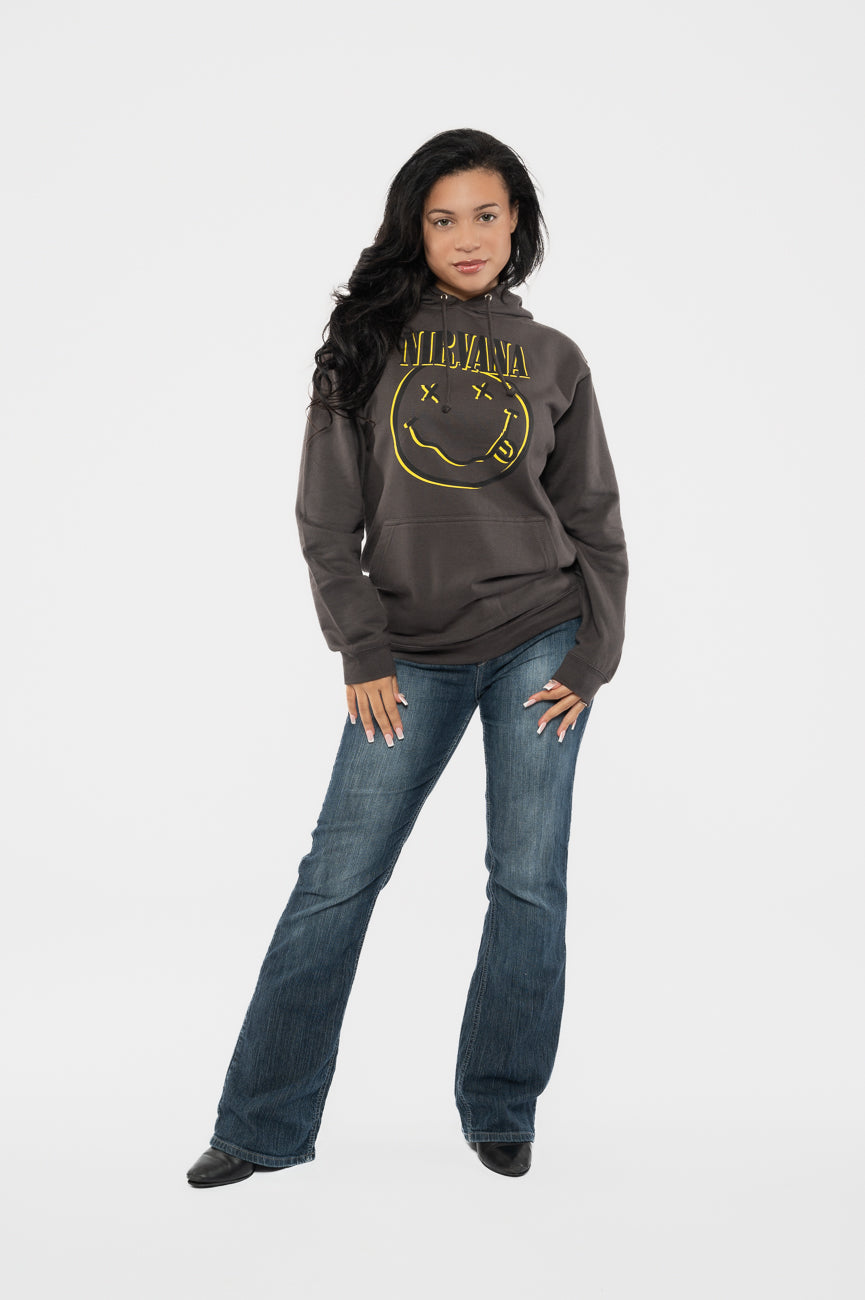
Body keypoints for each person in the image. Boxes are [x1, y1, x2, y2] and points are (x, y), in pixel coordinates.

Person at [187, 128, 628, 1187]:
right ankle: (260, 1126)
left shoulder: (555, 358)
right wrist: (362, 647)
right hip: (404, 654)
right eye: (442, 218)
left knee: (528, 881)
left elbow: (594, 517)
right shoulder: (366, 341)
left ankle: (500, 1105)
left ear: (516, 223)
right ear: (413, 229)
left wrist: (593, 655)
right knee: (336, 879)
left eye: (486, 214)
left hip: (540, 636)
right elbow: (323, 518)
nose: (466, 237)